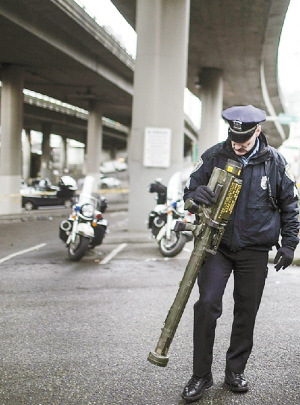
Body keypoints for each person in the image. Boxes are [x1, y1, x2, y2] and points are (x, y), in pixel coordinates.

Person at [181, 105, 300, 403]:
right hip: (216, 245)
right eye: (234, 138)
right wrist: (195, 198)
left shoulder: (275, 162)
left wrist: (289, 243)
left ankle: (235, 371)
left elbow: (290, 204)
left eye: (243, 140)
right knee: (206, 305)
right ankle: (200, 375)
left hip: (255, 249)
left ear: (257, 131)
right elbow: (188, 193)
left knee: (246, 312)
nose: (238, 144)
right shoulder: (213, 156)